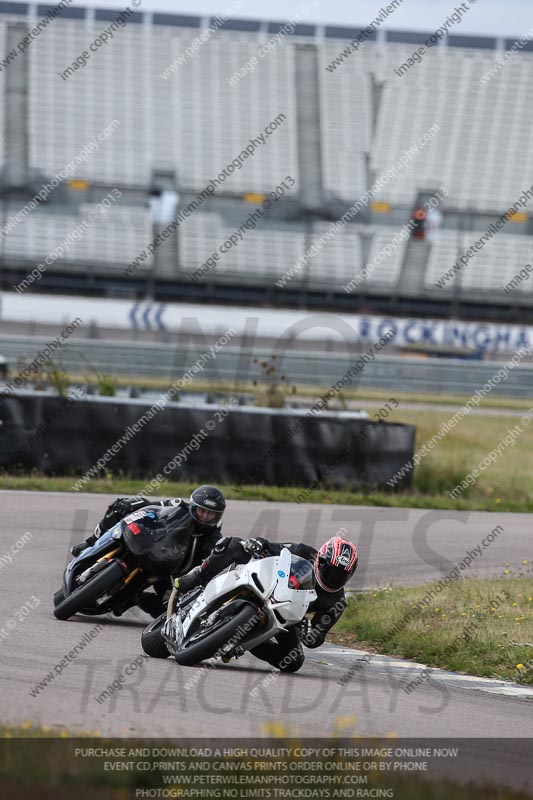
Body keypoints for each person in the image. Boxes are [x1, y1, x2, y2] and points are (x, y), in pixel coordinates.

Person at [173, 534, 358, 672]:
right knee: (234, 545)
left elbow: (317, 636)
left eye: (341, 576)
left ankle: (250, 642)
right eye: (332, 571)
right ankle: (198, 576)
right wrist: (260, 543)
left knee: (293, 661)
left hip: (286, 616)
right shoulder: (304, 552)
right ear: (321, 559)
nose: (334, 578)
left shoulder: (337, 602)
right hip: (266, 584)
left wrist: (310, 633)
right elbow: (272, 548)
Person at [70, 485, 226, 616]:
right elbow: (152, 508)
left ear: (217, 516)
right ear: (193, 506)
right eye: (202, 511)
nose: (205, 517)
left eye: (210, 514)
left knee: (169, 611)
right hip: (150, 545)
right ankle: (89, 543)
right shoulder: (178, 506)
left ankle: (134, 598)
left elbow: (210, 564)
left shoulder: (213, 538)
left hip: (169, 573)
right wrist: (133, 503)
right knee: (117, 508)